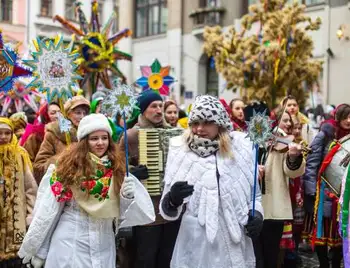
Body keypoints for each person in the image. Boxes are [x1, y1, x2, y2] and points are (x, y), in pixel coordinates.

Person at [18, 113, 155, 268]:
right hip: (70, 243)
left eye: (104, 138)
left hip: (104, 244)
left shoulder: (117, 169)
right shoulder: (67, 168)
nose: (100, 143)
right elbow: (50, 210)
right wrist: (40, 250)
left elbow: (122, 217)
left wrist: (126, 197)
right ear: (84, 141)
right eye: (94, 138)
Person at [159, 95, 264, 268]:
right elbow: (168, 207)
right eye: (195, 123)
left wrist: (257, 214)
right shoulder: (180, 150)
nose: (199, 129)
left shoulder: (241, 148)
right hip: (196, 242)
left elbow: (255, 195)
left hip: (234, 238)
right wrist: (173, 199)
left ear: (220, 123)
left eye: (207, 122)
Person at [121, 90, 180, 268]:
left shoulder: (174, 134)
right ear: (143, 110)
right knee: (145, 258)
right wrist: (131, 172)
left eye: (161, 106)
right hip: (146, 209)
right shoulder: (130, 135)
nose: (158, 110)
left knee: (167, 257)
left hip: (170, 207)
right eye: (153, 106)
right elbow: (116, 167)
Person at [303, 104, 350, 268]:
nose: (349, 120)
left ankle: (336, 263)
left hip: (343, 195)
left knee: (340, 237)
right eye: (345, 117)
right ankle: (323, 264)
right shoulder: (326, 134)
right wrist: (310, 191)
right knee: (321, 235)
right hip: (323, 193)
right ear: (337, 117)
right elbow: (312, 163)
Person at [258, 110, 305, 268]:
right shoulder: (257, 139)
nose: (289, 124)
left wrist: (293, 157)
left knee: (271, 257)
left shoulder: (285, 143)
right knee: (255, 257)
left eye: (290, 121)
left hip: (274, 208)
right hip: (253, 207)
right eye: (285, 120)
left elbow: (292, 171)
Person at [0, 117, 38, 267]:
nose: (3, 137)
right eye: (0, 133)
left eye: (7, 133)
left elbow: (30, 188)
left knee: (16, 259)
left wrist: (30, 215)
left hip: (17, 219)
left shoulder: (20, 154)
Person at [34, 96, 90, 183]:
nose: (82, 116)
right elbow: (39, 167)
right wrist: (63, 159)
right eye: (78, 113)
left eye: (85, 113)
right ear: (68, 114)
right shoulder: (53, 133)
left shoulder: (90, 133)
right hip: (62, 186)